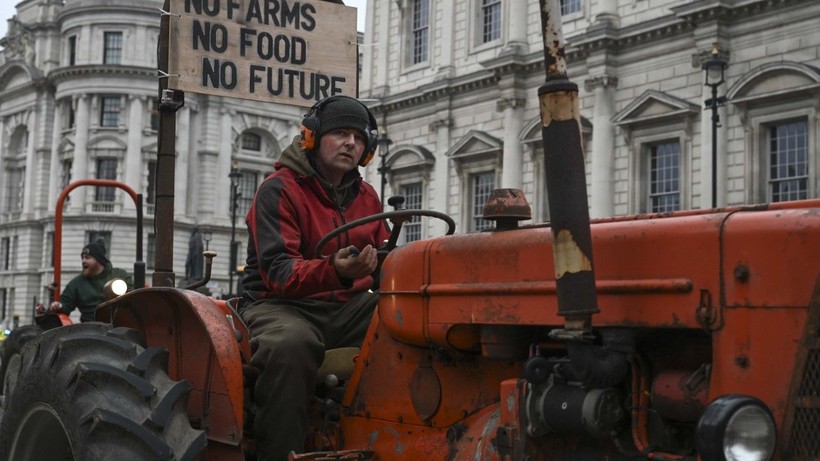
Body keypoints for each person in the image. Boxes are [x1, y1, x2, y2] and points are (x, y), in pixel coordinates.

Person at [240, 95, 390, 460]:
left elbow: (383, 256)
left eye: (359, 138)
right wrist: (335, 270)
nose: (351, 143)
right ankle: (279, 452)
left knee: (405, 324)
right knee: (291, 343)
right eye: (340, 133)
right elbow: (278, 272)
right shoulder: (278, 189)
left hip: (345, 306)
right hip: (279, 305)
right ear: (311, 138)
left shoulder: (367, 196)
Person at [42, 241, 134, 322]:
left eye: (87, 257)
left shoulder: (120, 275)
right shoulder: (77, 283)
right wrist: (59, 306)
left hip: (118, 325)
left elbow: (133, 296)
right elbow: (66, 304)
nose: (83, 261)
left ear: (99, 259)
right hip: (90, 328)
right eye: (82, 258)